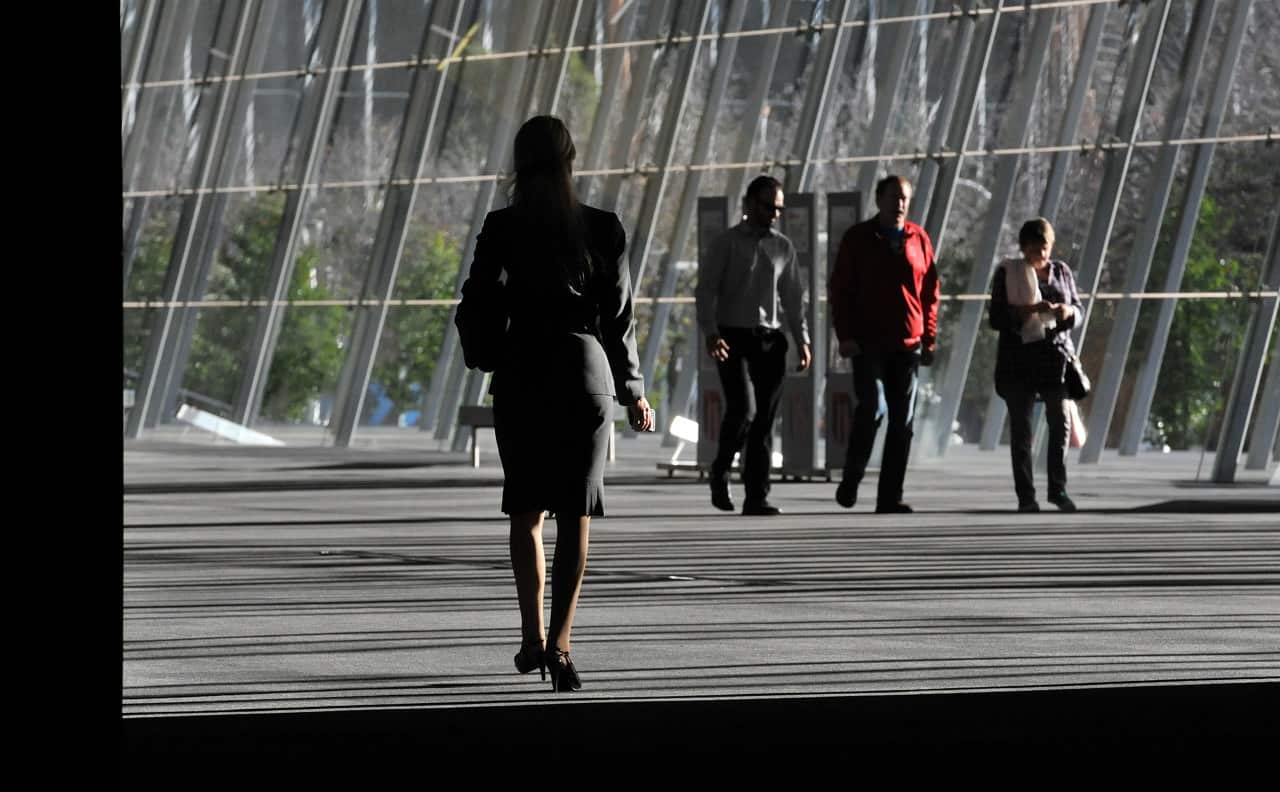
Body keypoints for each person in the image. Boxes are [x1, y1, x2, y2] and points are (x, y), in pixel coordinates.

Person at [467, 115, 653, 692]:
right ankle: (562, 645)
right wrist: (634, 389)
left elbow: (476, 298)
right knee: (577, 514)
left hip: (523, 372)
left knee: (526, 513)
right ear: (572, 159)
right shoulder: (601, 228)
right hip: (582, 374)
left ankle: (529, 636)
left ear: (518, 166)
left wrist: (490, 348)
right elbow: (618, 320)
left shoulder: (502, 228)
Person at [695, 175, 812, 516]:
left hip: (769, 339)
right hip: (732, 336)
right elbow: (706, 291)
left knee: (764, 418)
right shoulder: (726, 243)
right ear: (748, 204)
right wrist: (711, 332)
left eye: (778, 208)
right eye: (767, 206)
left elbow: (793, 300)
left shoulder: (783, 247)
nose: (773, 214)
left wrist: (801, 340)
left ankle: (756, 495)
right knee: (741, 410)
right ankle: (720, 469)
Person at [828, 174, 939, 513]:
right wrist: (845, 336)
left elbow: (930, 292)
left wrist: (929, 337)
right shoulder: (859, 238)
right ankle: (852, 477)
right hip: (868, 342)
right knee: (872, 408)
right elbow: (841, 290)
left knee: (902, 422)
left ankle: (889, 496)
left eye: (904, 197)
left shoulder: (918, 238)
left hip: (908, 343)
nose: (900, 203)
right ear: (879, 199)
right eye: (894, 197)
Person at [988, 217, 1082, 513]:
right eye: (1034, 249)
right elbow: (997, 317)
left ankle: (1058, 488)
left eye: (1045, 248)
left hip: (1054, 359)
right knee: (1022, 430)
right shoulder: (1009, 273)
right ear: (1023, 248)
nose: (1040, 256)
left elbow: (1078, 310)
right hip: (1020, 361)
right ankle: (1026, 495)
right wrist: (1030, 310)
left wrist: (1065, 311)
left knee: (1060, 423)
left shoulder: (1061, 272)